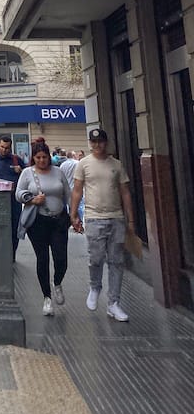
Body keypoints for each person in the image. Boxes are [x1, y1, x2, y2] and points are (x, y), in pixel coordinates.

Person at [70, 127, 135, 322]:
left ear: (106, 143)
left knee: (117, 261)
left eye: (100, 141)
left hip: (116, 217)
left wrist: (131, 219)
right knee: (96, 258)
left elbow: (125, 192)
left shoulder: (116, 164)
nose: (97, 145)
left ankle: (114, 303)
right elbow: (77, 190)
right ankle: (95, 286)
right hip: (94, 217)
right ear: (90, 143)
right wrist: (73, 214)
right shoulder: (83, 164)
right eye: (94, 142)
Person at [16, 139, 71, 316]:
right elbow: (18, 193)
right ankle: (47, 297)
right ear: (33, 158)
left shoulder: (58, 172)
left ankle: (57, 282)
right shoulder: (27, 173)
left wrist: (74, 215)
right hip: (38, 222)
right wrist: (32, 199)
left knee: (61, 258)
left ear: (49, 157)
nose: (41, 160)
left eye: (44, 157)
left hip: (59, 220)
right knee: (43, 258)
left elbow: (68, 194)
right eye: (38, 157)